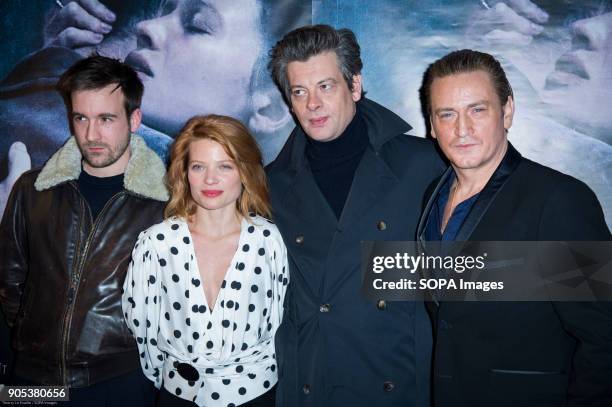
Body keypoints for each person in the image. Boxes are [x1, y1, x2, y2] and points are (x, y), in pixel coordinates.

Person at [417, 49, 612, 406]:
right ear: (431, 124)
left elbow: (604, 337)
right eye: (447, 114)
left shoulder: (560, 200)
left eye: (478, 110)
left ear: (507, 111)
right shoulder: (432, 196)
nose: (462, 129)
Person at [266, 24, 445, 407]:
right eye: (300, 91)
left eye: (326, 86)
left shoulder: (424, 164)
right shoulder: (270, 185)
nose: (312, 103)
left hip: (396, 383)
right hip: (313, 384)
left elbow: (474, 270)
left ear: (355, 86)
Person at [0, 55, 168, 405]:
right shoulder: (33, 189)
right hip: (31, 381)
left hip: (119, 381)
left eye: (106, 119)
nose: (91, 135)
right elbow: (10, 278)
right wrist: (37, 334)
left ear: (133, 119)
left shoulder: (165, 205)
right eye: (81, 118)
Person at [122, 115, 288, 407]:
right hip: (179, 396)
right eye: (198, 167)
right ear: (184, 173)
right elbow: (141, 326)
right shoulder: (156, 244)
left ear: (245, 171)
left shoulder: (269, 241)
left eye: (225, 166)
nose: (210, 179)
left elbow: (278, 320)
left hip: (255, 394)